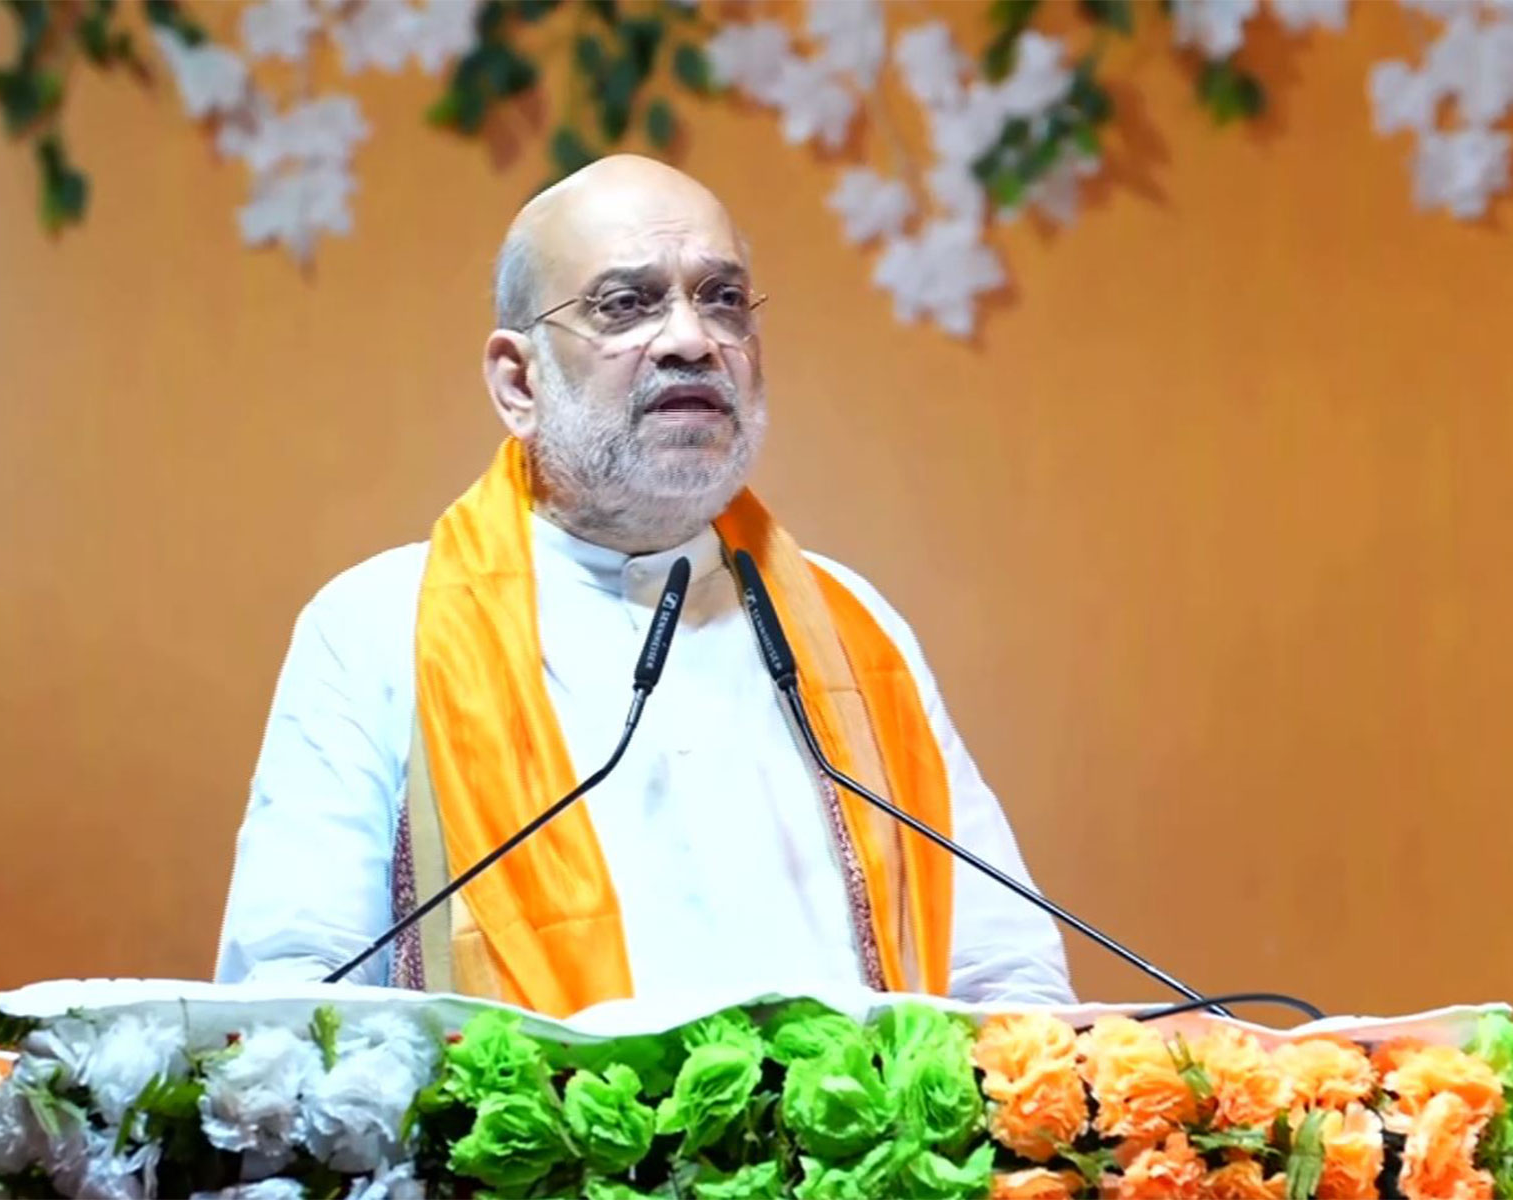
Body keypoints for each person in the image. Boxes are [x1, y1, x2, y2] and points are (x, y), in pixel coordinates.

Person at [215, 154, 1073, 1013]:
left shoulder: (854, 627)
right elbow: (291, 1002)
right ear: (519, 383)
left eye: (723, 298)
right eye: (626, 304)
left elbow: (1007, 983)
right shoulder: (376, 627)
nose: (692, 340)